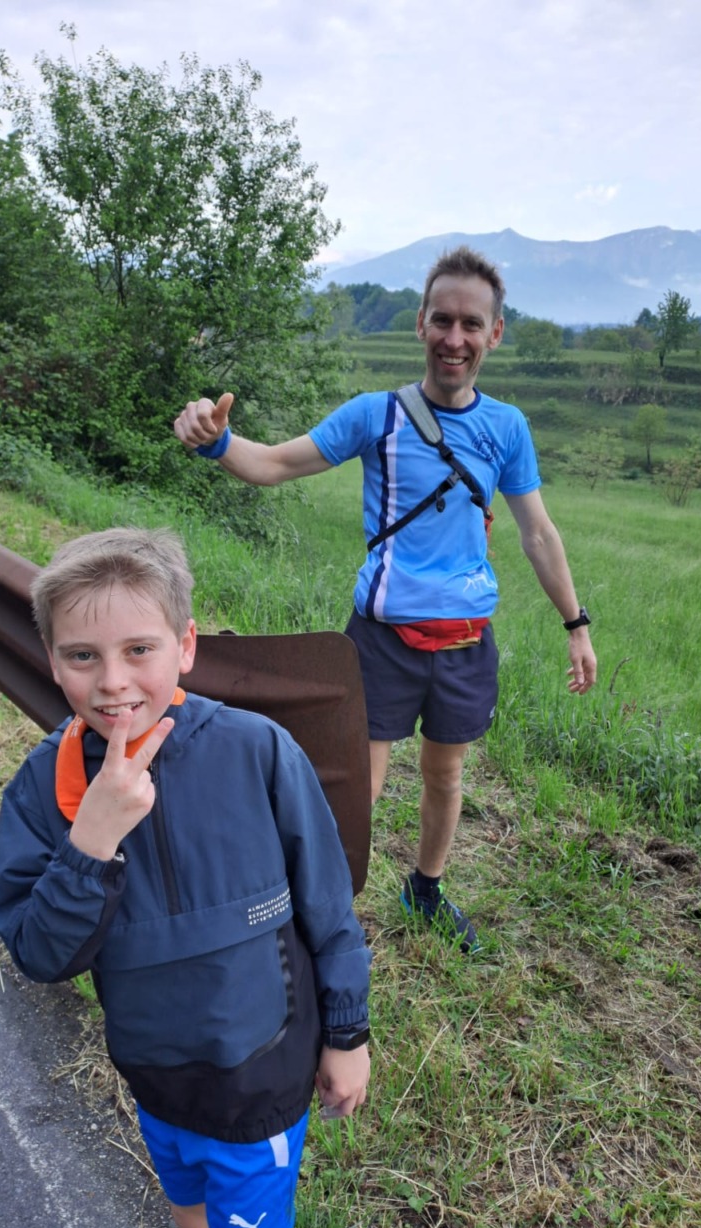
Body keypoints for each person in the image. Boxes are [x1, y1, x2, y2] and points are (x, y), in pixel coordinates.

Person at [173, 246, 597, 956]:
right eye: (442, 320)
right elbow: (273, 464)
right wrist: (216, 443)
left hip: (465, 641)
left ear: (494, 333)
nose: (454, 339)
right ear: (420, 323)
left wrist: (576, 624)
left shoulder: (507, 428)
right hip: (379, 640)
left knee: (445, 774)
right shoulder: (378, 415)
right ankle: (320, 913)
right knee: (355, 788)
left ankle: (424, 890)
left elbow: (538, 534)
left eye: (471, 324)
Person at [0, 528, 371, 1228]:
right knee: (190, 1220)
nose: (112, 682)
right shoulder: (43, 788)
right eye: (82, 656)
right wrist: (91, 840)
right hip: (154, 1076)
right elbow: (39, 954)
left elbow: (328, 909)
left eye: (140, 649)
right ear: (52, 661)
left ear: (185, 646)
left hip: (258, 1075)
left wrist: (348, 1032)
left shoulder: (257, 750)